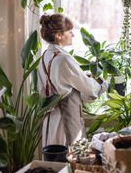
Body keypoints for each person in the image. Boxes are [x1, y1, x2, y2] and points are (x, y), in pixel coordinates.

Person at [37, 13, 108, 148]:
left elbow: (57, 83)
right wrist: (102, 84)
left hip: (51, 119)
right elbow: (90, 88)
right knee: (70, 158)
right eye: (69, 32)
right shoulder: (64, 59)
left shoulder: (45, 56)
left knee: (54, 160)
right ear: (58, 35)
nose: (73, 35)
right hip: (66, 118)